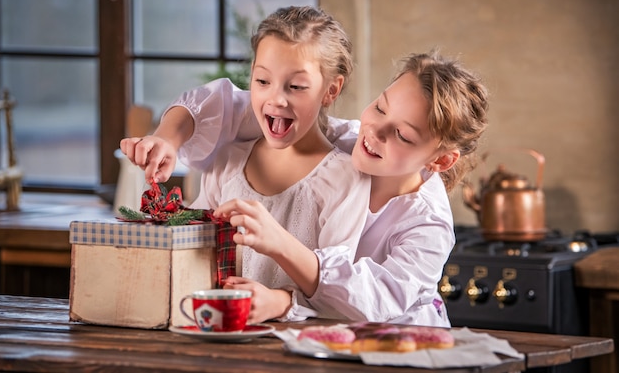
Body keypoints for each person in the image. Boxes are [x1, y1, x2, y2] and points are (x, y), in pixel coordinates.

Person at [122, 49, 489, 327]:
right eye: (379, 108)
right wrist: (167, 139)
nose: (374, 132)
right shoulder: (339, 139)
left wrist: (281, 265)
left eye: (403, 135)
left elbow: (375, 302)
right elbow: (231, 105)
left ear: (440, 161)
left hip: (399, 349)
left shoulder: (428, 224)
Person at [123, 6, 371, 323]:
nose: (276, 99)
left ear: (330, 89)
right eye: (263, 80)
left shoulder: (346, 178)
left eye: (295, 86)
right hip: (217, 335)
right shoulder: (228, 160)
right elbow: (197, 253)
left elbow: (339, 293)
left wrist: (280, 301)